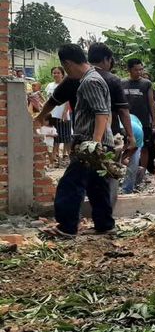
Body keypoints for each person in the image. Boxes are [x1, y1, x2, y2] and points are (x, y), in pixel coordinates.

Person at [38, 44, 116, 238]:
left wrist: (94, 144)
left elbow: (102, 113)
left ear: (68, 64)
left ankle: (66, 227)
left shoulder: (90, 81)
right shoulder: (93, 78)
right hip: (96, 141)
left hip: (90, 142)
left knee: (70, 184)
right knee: (96, 185)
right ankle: (104, 224)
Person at [87, 43, 135, 150]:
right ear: (105, 59)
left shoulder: (77, 77)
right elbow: (123, 110)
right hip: (108, 133)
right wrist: (131, 136)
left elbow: (54, 100)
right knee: (107, 164)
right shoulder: (112, 79)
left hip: (82, 134)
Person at [122, 58, 155, 180]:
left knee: (144, 147)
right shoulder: (122, 83)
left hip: (143, 121)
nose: (139, 72)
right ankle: (129, 170)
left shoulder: (146, 84)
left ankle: (142, 172)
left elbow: (151, 102)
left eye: (141, 69)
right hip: (126, 121)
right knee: (126, 146)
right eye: (136, 70)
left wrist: (154, 120)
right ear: (129, 70)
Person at [45, 66, 73, 164]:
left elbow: (68, 100)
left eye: (58, 73)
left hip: (62, 113)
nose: (56, 74)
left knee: (65, 135)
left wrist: (65, 112)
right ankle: (55, 154)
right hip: (52, 114)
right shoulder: (49, 85)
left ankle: (65, 154)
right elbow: (47, 100)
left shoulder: (65, 85)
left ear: (62, 74)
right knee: (54, 135)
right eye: (54, 73)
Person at [121, 114, 144, 194]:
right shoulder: (113, 130)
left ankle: (127, 189)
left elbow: (134, 149)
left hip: (135, 135)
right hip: (120, 134)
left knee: (133, 163)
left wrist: (121, 159)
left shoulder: (138, 132)